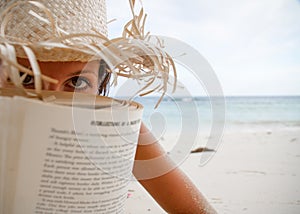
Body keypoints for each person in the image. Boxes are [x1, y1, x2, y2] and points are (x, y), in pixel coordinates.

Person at [0, 0, 216, 213]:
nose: (52, 99)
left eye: (77, 82)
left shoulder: (117, 130)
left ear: (100, 85)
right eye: (25, 77)